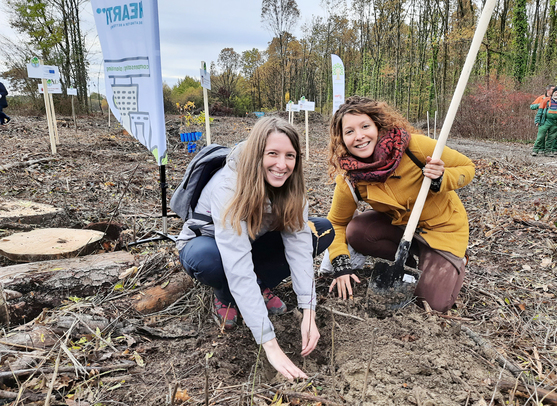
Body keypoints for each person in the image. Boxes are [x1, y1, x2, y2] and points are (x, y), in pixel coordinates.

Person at [176, 117, 334, 380]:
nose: (281, 165)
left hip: (252, 243)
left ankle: (258, 285)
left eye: (290, 156)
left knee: (323, 229)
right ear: (256, 153)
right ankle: (225, 296)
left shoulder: (292, 186)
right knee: (209, 260)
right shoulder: (229, 186)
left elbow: (298, 248)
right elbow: (236, 263)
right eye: (272, 154)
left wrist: (309, 311)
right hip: (209, 245)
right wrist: (270, 345)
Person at [325, 96, 475, 312]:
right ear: (341, 139)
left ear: (377, 126)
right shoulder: (351, 178)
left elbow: (468, 168)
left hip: (443, 230)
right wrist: (341, 265)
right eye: (349, 132)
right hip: (403, 230)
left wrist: (442, 177)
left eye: (365, 126)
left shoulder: (415, 147)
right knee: (357, 231)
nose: (359, 136)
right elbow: (337, 223)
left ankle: (452, 262)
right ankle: (410, 264)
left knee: (432, 304)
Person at [533, 87, 557, 156]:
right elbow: (540, 110)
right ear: (553, 93)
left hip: (555, 122)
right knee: (540, 136)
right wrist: (537, 120)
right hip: (545, 121)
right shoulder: (546, 100)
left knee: (551, 138)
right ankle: (535, 150)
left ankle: (548, 152)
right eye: (555, 92)